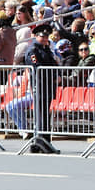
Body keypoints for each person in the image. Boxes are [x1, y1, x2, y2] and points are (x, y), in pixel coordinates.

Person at [24, 23, 59, 153]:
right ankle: (40, 143)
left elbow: (54, 64)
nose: (45, 39)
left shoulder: (46, 49)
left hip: (48, 86)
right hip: (39, 85)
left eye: (46, 36)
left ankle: (44, 142)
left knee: (45, 115)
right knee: (41, 116)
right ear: (36, 36)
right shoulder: (33, 50)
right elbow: (36, 66)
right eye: (42, 36)